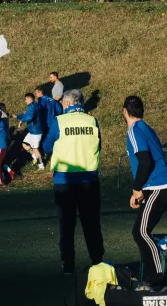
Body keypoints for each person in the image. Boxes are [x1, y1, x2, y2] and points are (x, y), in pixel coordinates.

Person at [43, 89, 104, 275]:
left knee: (67, 225)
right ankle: (97, 262)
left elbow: (46, 146)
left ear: (67, 103)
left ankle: (69, 265)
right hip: (89, 180)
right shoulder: (92, 121)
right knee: (92, 223)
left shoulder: (59, 121)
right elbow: (98, 144)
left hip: (65, 180)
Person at [123, 96, 167, 290]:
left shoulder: (135, 131)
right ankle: (152, 277)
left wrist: (137, 189)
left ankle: (157, 280)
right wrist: (139, 190)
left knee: (141, 232)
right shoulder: (146, 127)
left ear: (124, 112)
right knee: (141, 232)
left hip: (158, 187)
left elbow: (145, 162)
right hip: (157, 187)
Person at [13, 93, 44, 169]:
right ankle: (35, 157)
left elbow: (30, 117)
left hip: (35, 132)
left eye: (26, 99)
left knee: (35, 149)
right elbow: (26, 115)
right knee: (24, 144)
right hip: (32, 131)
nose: (25, 101)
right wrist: (17, 116)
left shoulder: (32, 106)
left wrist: (21, 121)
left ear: (30, 99)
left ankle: (41, 166)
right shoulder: (32, 106)